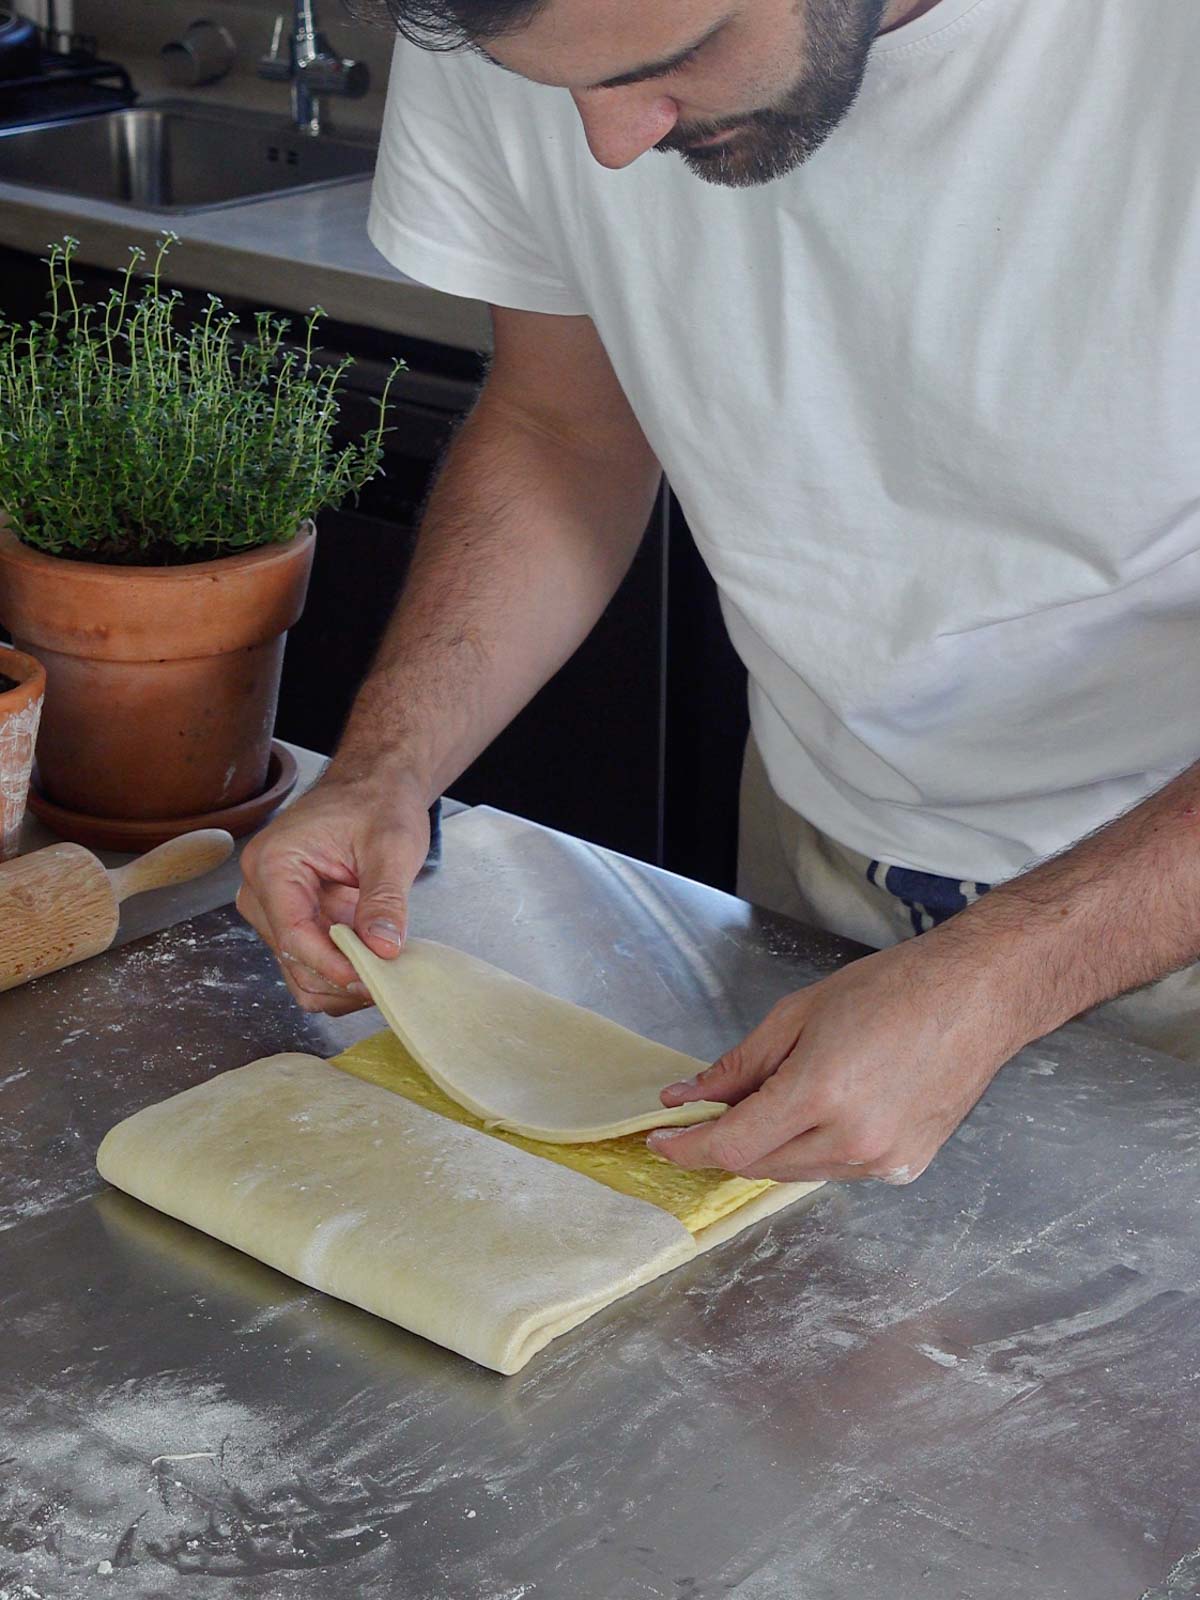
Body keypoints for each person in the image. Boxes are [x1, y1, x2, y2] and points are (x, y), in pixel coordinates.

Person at [238, 0, 1200, 1189]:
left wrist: (1003, 972)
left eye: (669, 62)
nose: (609, 143)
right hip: (813, 859)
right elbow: (563, 426)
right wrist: (385, 771)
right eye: (552, 89)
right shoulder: (496, 17)